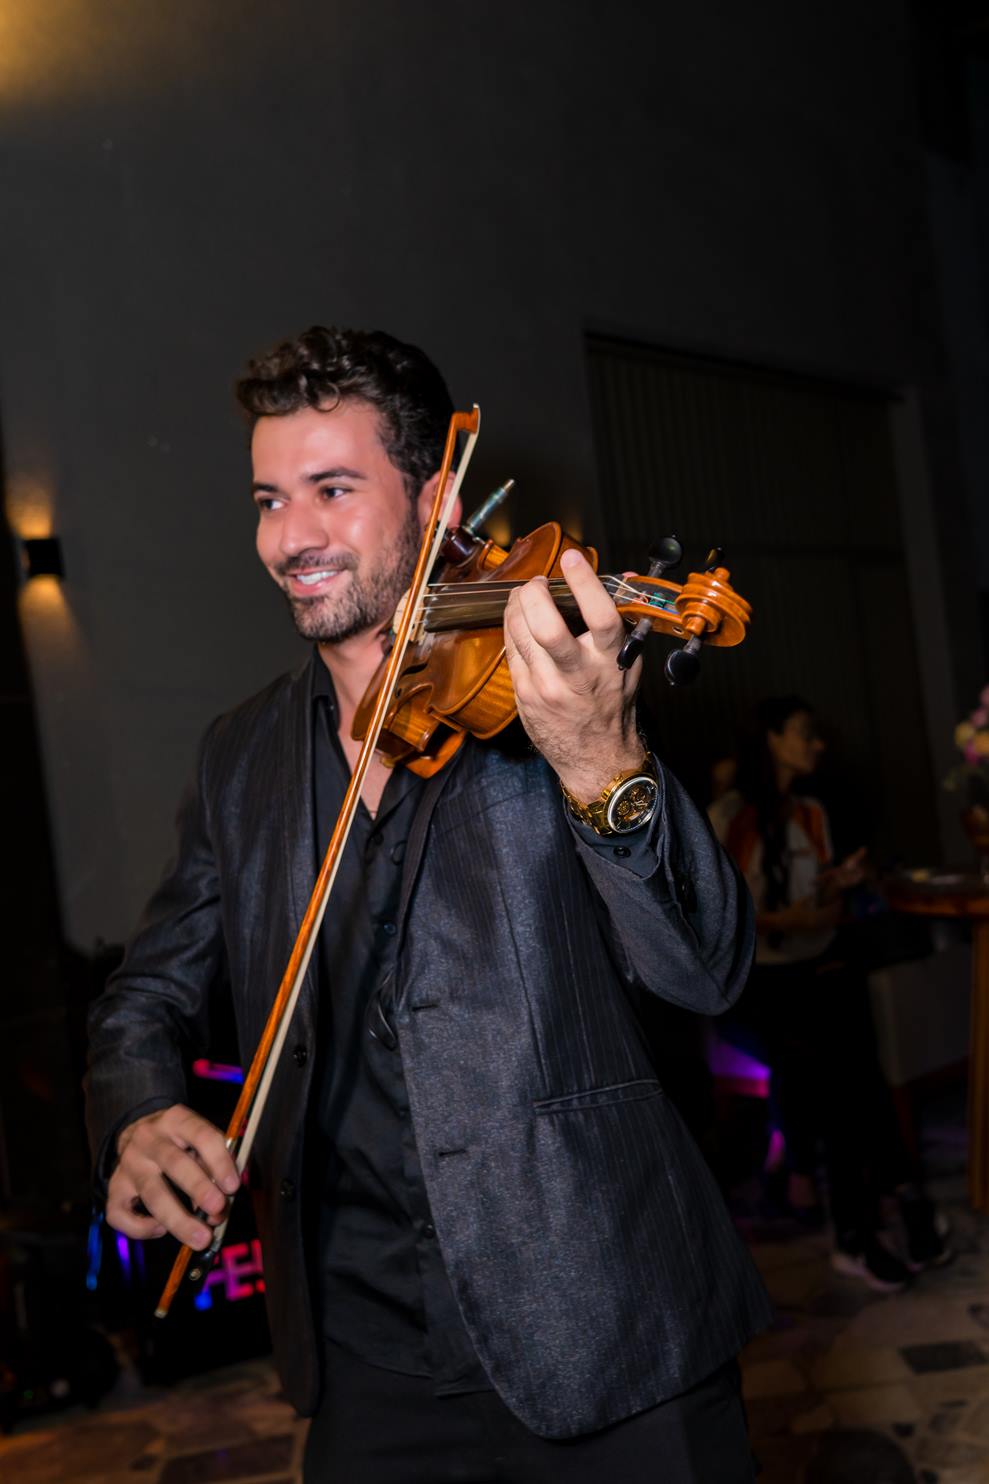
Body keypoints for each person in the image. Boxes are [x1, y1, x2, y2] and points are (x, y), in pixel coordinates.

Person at [86, 326, 772, 1482]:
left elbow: (703, 967)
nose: (289, 536)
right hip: (365, 1361)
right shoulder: (239, 754)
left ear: (435, 498)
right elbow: (145, 991)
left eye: (333, 489)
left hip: (605, 1331)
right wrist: (138, 1109)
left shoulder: (550, 695)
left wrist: (600, 765)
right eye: (268, 499)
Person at [710, 696, 951, 1290]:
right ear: (771, 739)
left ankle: (874, 1215)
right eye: (804, 734)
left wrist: (837, 888)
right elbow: (717, 920)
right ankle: (878, 1213)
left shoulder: (812, 812)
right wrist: (788, 920)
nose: (816, 745)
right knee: (840, 1065)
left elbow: (822, 912)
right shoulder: (727, 815)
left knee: (854, 1056)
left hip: (813, 971)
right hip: (757, 983)